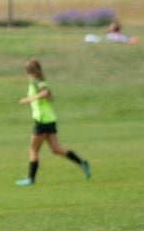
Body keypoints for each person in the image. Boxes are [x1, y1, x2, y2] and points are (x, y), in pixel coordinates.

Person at [15, 58, 90, 186]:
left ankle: (30, 179)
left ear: (28, 72)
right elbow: (50, 96)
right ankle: (82, 162)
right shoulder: (41, 82)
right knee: (56, 149)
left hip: (42, 119)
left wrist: (28, 100)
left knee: (33, 150)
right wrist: (43, 95)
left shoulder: (34, 83)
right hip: (50, 119)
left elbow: (44, 94)